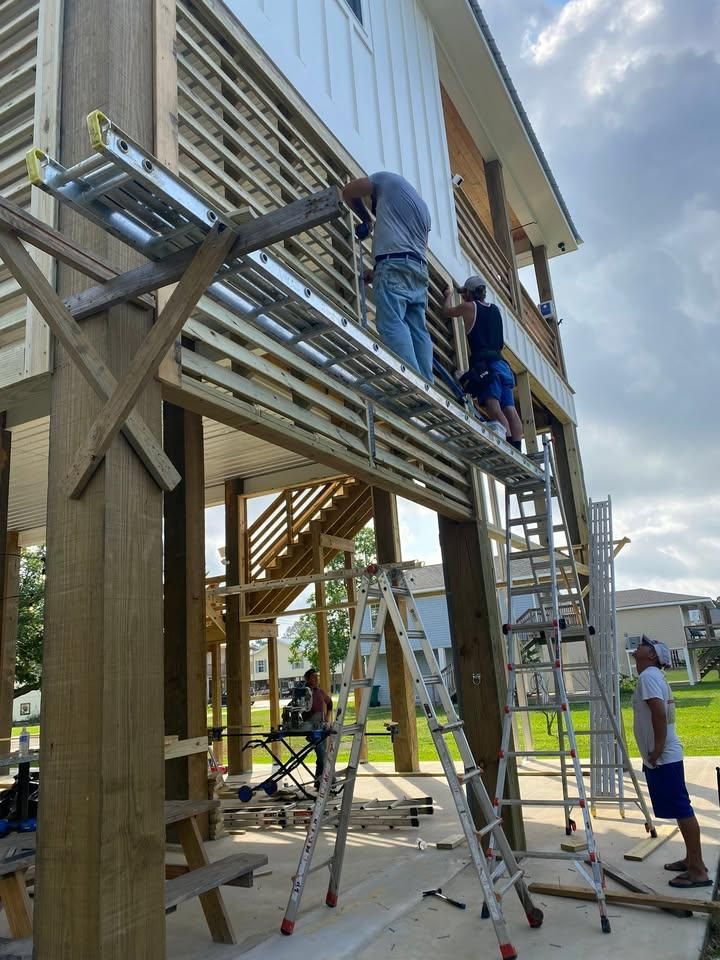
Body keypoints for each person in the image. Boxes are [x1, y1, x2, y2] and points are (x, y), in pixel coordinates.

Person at [631, 635, 711, 888]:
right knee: (680, 809)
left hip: (664, 756)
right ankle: (691, 860)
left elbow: (659, 713)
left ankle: (698, 871)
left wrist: (656, 750)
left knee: (682, 809)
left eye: (644, 645)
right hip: (664, 755)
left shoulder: (648, 677)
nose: (638, 646)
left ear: (652, 656)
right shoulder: (653, 676)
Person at [342, 172, 433, 381]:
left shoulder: (385, 179)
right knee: (417, 328)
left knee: (391, 322)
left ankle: (413, 383)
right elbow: (415, 247)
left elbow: (348, 192)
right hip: (419, 270)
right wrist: (377, 273)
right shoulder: (423, 210)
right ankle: (427, 383)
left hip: (393, 264)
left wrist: (367, 220)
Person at [441, 275, 523, 450]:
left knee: (493, 407)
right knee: (510, 408)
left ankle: (507, 446)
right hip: (502, 364)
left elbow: (446, 312)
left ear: (470, 293)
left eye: (464, 293)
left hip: (486, 365)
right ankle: (517, 447)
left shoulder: (469, 307)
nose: (463, 297)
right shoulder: (495, 310)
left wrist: (448, 295)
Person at [302, 668, 333, 788]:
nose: (316, 679)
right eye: (313, 677)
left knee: (322, 756)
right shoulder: (303, 692)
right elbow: (293, 707)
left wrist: (327, 719)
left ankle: (318, 782)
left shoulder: (320, 692)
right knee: (322, 755)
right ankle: (330, 780)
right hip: (310, 728)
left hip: (321, 727)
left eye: (317, 677)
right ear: (307, 679)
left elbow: (330, 703)